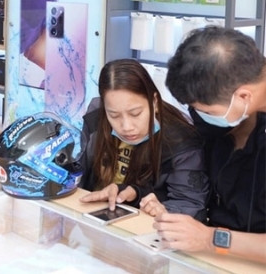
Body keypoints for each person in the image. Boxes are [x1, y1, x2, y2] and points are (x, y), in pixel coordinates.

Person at [155, 26, 266, 263]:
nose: (199, 116)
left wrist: (209, 239)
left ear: (243, 97)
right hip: (214, 258)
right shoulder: (226, 105)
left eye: (207, 111)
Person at [78, 59, 209, 219]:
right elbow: (80, 171)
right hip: (92, 215)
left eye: (135, 114)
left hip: (146, 224)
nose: (126, 126)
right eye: (114, 115)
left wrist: (160, 209)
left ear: (154, 102)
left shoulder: (181, 141)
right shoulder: (96, 115)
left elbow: (190, 204)